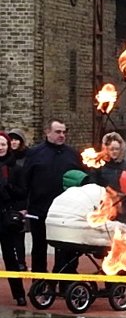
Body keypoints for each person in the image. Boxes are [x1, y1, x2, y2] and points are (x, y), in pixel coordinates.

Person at [21, 119, 82, 275]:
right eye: (58, 132)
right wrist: (23, 206)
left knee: (65, 249)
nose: (62, 135)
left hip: (65, 212)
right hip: (39, 209)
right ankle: (40, 283)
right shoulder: (34, 153)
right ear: (47, 132)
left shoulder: (73, 155)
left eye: (64, 132)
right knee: (39, 248)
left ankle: (63, 281)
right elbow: (25, 181)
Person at [0, 132, 27, 305]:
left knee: (11, 257)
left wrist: (8, 188)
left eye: (3, 144)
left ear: (8, 146)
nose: (0, 147)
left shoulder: (15, 168)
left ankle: (19, 294)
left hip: (6, 216)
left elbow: (22, 192)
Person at [7, 128, 29, 272]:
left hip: (20, 200)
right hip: (7, 201)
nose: (14, 142)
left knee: (18, 235)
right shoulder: (7, 158)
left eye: (16, 139)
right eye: (11, 140)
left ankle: (21, 262)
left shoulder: (26, 158)